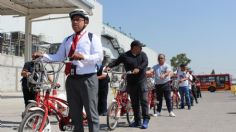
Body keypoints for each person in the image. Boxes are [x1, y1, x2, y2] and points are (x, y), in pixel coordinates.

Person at [33, 9, 103, 132]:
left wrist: (83, 56)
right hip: (71, 80)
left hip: (88, 79)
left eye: (78, 19)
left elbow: (99, 57)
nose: (74, 22)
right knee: (75, 115)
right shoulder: (67, 40)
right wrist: (42, 56)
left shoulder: (92, 38)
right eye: (72, 20)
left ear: (85, 22)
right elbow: (59, 56)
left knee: (91, 114)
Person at [105, 40, 150, 129]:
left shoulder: (143, 55)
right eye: (139, 47)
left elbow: (145, 63)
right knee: (134, 102)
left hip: (141, 81)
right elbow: (116, 62)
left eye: (141, 48)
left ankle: (145, 119)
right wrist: (109, 66)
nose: (141, 49)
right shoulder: (125, 56)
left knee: (144, 100)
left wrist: (138, 68)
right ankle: (137, 121)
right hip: (131, 82)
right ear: (133, 48)